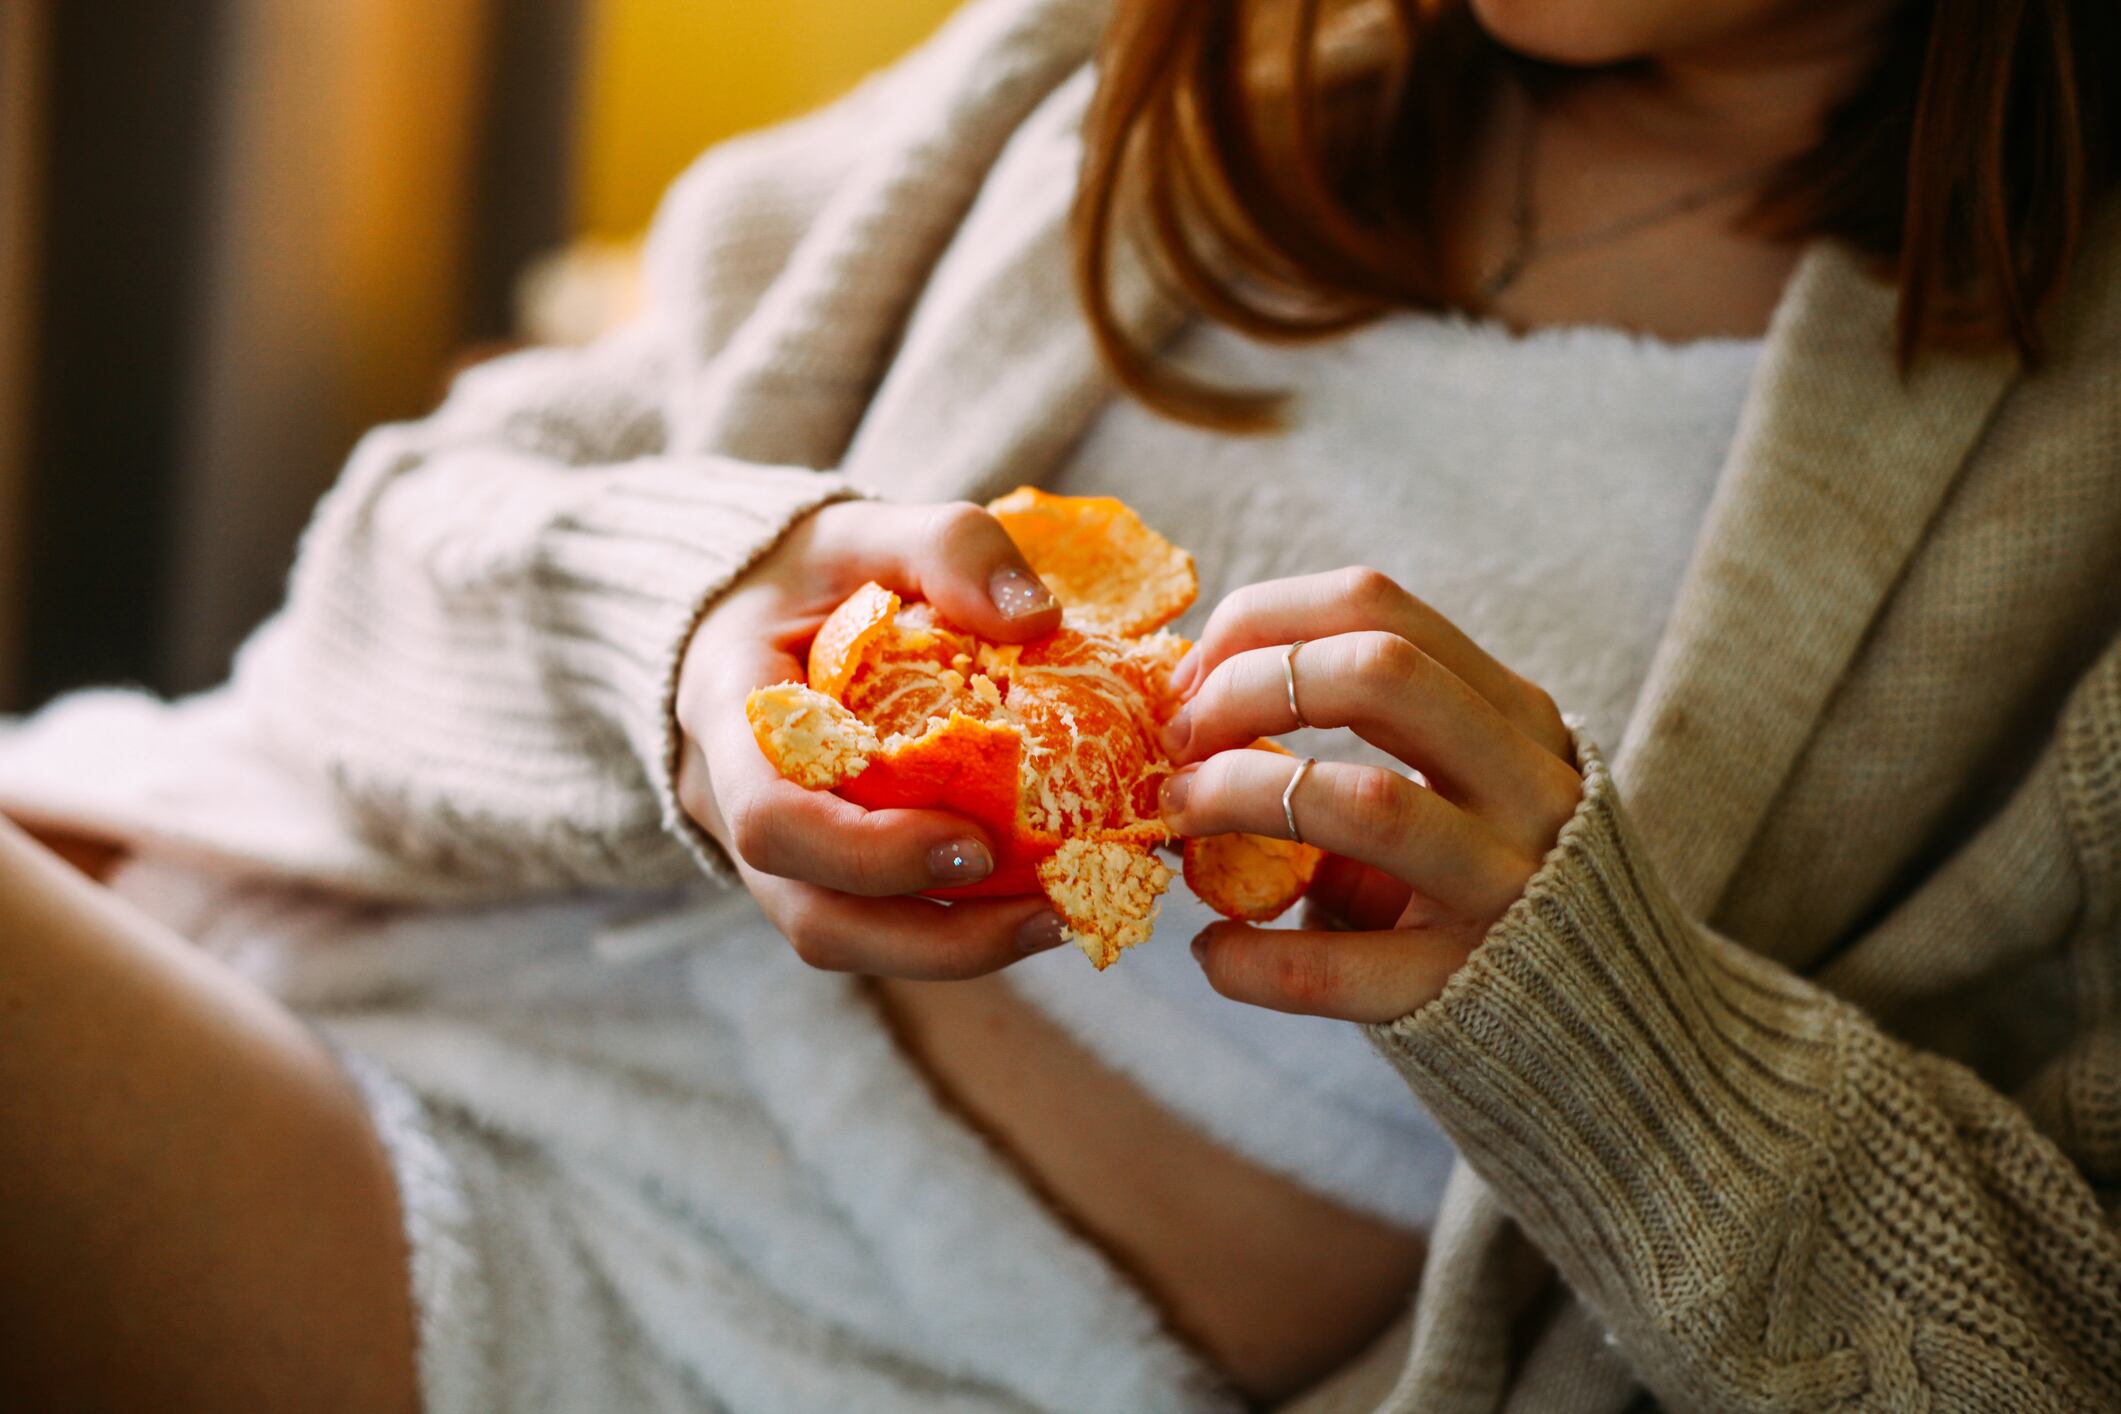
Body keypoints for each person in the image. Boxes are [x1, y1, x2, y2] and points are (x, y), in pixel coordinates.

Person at [2, 0, 2116, 1409]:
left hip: (766, 1324)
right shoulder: (1098, 77)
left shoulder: (2063, 486)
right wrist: (684, 633)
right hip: (383, 986)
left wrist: (1615, 1031)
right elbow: (389, 548)